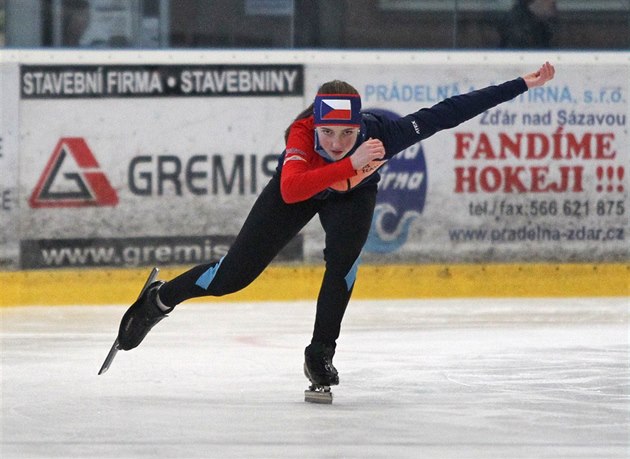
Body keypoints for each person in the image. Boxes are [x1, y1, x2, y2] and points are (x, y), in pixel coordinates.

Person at [116, 62, 556, 389]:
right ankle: (159, 300)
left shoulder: (383, 134)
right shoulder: (301, 136)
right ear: (316, 126)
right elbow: (291, 191)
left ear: (360, 126)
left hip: (353, 193)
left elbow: (448, 112)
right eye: (328, 134)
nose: (337, 142)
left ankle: (319, 355)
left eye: (347, 134)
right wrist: (347, 163)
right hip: (301, 187)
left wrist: (522, 84)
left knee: (343, 262)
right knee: (233, 277)